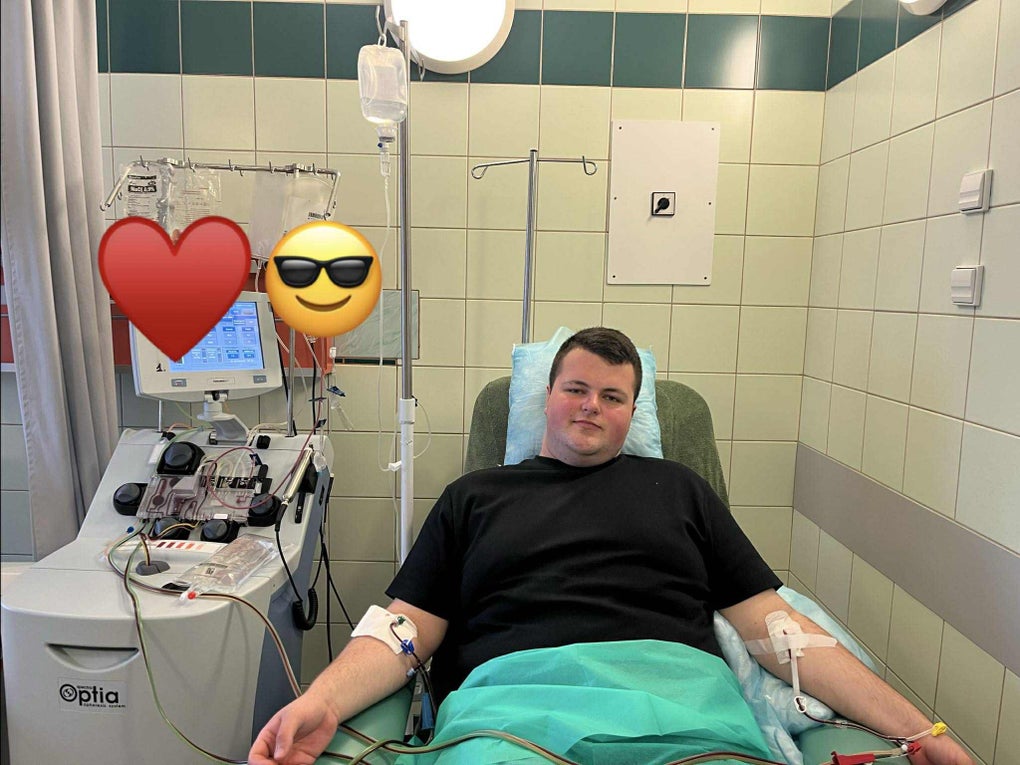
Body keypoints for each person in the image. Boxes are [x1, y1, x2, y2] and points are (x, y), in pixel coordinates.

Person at [250, 328, 972, 765]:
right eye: (576, 388)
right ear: (546, 397)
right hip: (512, 722)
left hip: (684, 718)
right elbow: (403, 630)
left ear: (632, 412)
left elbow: (779, 631)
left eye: (614, 396)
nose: (592, 405)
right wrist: (321, 701)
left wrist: (921, 730)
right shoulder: (475, 497)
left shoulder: (680, 490)